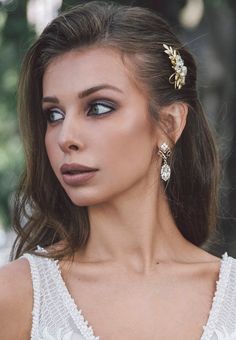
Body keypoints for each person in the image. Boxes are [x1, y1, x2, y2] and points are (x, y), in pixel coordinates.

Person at [0, 1, 235, 339]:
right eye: (54, 114)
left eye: (97, 107)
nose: (66, 137)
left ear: (168, 124)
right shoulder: (18, 298)